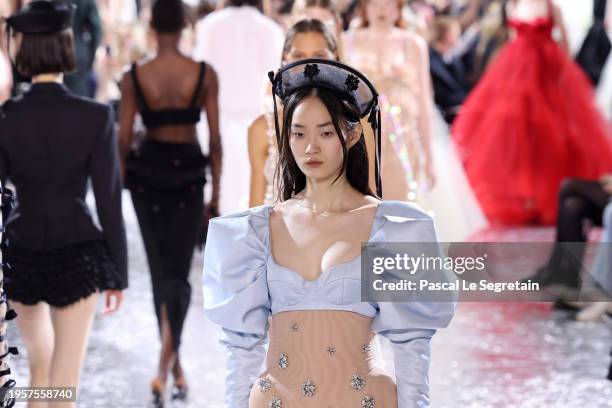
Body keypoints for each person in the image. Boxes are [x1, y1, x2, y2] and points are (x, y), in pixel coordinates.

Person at [203, 59, 455, 407]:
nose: (311, 147)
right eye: (299, 133)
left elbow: (412, 347)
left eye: (325, 132)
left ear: (351, 134)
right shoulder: (256, 231)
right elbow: (241, 347)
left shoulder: (392, 229)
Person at [0, 2, 127, 407]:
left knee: (40, 373)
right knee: (63, 384)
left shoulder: (6, 117)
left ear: (24, 49)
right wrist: (117, 274)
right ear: (67, 46)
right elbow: (109, 201)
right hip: (77, 256)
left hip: (21, 254)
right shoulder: (94, 116)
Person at [118, 0, 221, 405]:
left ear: (151, 27)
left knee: (163, 272)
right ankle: (170, 365)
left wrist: (120, 187)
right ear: (184, 26)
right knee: (178, 273)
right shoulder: (204, 75)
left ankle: (167, 365)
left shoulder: (133, 77)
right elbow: (215, 141)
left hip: (147, 177)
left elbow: (123, 141)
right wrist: (218, 193)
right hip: (189, 177)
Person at [452, 0, 612, 226]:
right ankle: (525, 199)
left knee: (551, 139)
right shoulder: (513, 5)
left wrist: (557, 70)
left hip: (547, 76)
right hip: (518, 76)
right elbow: (510, 38)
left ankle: (552, 198)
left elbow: (564, 43)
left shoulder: (550, 7)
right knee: (517, 141)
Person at [193, 0, 284, 214]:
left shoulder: (211, 25)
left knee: (225, 200)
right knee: (256, 198)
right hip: (260, 126)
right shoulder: (269, 29)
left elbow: (201, 81)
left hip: (220, 123)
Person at [344, 0, 436, 202]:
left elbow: (424, 99)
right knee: (361, 202)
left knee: (400, 205)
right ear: (365, 7)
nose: (381, 10)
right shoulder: (346, 41)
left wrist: (429, 155)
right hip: (359, 134)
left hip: (402, 136)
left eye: (388, 4)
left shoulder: (413, 43)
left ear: (398, 8)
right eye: (375, 4)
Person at [248, 18, 340, 207]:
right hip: (276, 232)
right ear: (284, 60)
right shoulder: (261, 128)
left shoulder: (354, 122)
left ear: (335, 57)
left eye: (319, 55)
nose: (308, 65)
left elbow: (368, 198)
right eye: (298, 55)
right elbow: (254, 210)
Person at [429, 15, 470, 125]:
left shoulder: (453, 59)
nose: (458, 36)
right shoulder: (431, 61)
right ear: (447, 35)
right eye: (456, 33)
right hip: (445, 116)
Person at [63, 0, 102, 97]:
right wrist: (90, 56)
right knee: (79, 99)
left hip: (51, 51)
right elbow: (96, 30)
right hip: (78, 51)